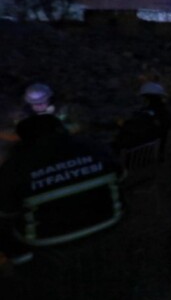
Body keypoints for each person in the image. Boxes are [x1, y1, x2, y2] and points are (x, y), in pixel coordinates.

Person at [0, 113, 123, 265]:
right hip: (110, 219)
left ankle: (20, 257)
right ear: (60, 128)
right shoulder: (94, 146)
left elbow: (7, 209)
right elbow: (120, 175)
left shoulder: (14, 166)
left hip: (45, 238)